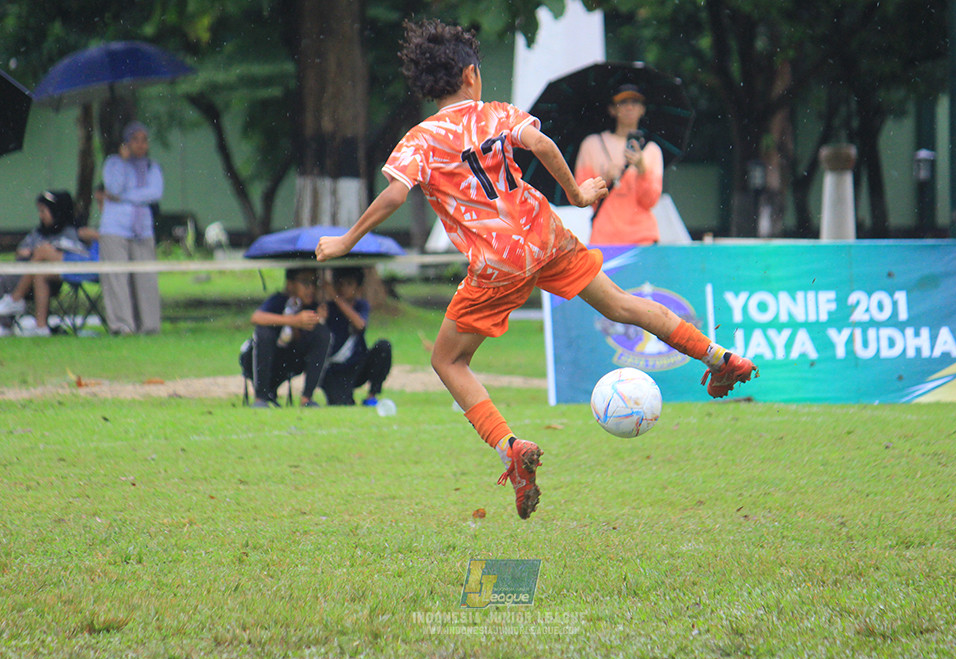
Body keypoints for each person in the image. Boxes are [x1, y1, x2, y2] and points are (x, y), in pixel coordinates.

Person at [315, 19, 757, 521]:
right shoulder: (498, 114)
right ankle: (718, 356)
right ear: (472, 76)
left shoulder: (418, 140)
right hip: (545, 236)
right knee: (623, 304)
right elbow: (542, 146)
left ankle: (510, 448)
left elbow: (396, 193)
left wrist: (347, 240)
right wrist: (575, 193)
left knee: (448, 362)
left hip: (498, 262)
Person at [574, 84, 664, 246]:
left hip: (642, 238)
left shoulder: (652, 150)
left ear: (642, 109)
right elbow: (579, 195)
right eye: (623, 102)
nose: (629, 107)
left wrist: (642, 169)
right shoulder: (593, 145)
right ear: (612, 109)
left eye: (635, 102)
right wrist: (604, 178)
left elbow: (650, 201)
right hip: (604, 237)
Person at [0, 190, 97, 337]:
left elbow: (78, 252)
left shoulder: (71, 232)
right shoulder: (39, 232)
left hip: (57, 276)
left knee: (36, 259)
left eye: (43, 211)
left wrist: (37, 253)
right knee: (6, 277)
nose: (41, 216)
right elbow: (21, 250)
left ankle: (15, 300)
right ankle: (16, 319)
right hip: (27, 272)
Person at [99, 120, 163, 335]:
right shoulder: (113, 163)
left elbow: (154, 193)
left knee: (146, 278)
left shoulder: (152, 167)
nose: (140, 145)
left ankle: (149, 326)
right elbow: (113, 187)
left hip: (142, 229)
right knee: (117, 277)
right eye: (135, 140)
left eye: (144, 140)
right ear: (126, 143)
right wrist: (124, 163)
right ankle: (122, 325)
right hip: (115, 228)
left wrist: (125, 198)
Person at [242, 268, 333, 408]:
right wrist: (293, 320)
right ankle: (261, 399)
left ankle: (307, 398)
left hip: (291, 362)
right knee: (263, 332)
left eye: (314, 283)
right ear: (290, 284)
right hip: (268, 358)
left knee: (323, 333)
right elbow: (256, 317)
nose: (310, 289)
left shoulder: (313, 307)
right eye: (305, 283)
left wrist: (318, 321)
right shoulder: (278, 300)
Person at [319, 266, 393, 406]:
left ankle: (371, 395)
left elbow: (360, 325)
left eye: (349, 284)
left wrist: (336, 297)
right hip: (335, 369)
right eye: (339, 284)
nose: (343, 288)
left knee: (383, 347)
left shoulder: (361, 306)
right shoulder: (327, 308)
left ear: (358, 289)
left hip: (357, 364)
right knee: (342, 403)